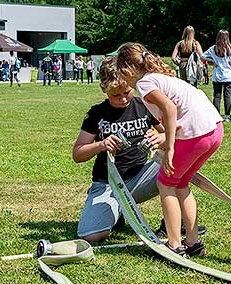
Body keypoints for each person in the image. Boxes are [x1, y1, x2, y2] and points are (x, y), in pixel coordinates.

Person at [73, 56, 206, 242]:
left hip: (141, 177)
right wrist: (101, 145)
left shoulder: (143, 105)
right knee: (91, 235)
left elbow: (175, 134)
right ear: (104, 90)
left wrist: (162, 137)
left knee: (178, 165)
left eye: (126, 92)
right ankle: (116, 212)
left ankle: (177, 223)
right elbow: (78, 154)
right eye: (115, 95)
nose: (123, 98)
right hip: (108, 184)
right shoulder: (97, 113)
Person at [117, 43, 223, 256]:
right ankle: (193, 243)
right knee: (181, 183)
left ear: (128, 69)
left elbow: (170, 109)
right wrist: (167, 140)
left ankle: (174, 245)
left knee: (165, 184)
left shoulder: (145, 83)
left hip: (197, 133)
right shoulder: (160, 77)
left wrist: (171, 148)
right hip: (215, 130)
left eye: (121, 73)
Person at [202, 30, 231, 123]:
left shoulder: (213, 48)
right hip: (228, 76)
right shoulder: (230, 48)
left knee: (217, 97)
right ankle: (227, 116)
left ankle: (216, 116)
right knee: (227, 97)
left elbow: (202, 56)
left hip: (217, 76)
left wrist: (213, 60)